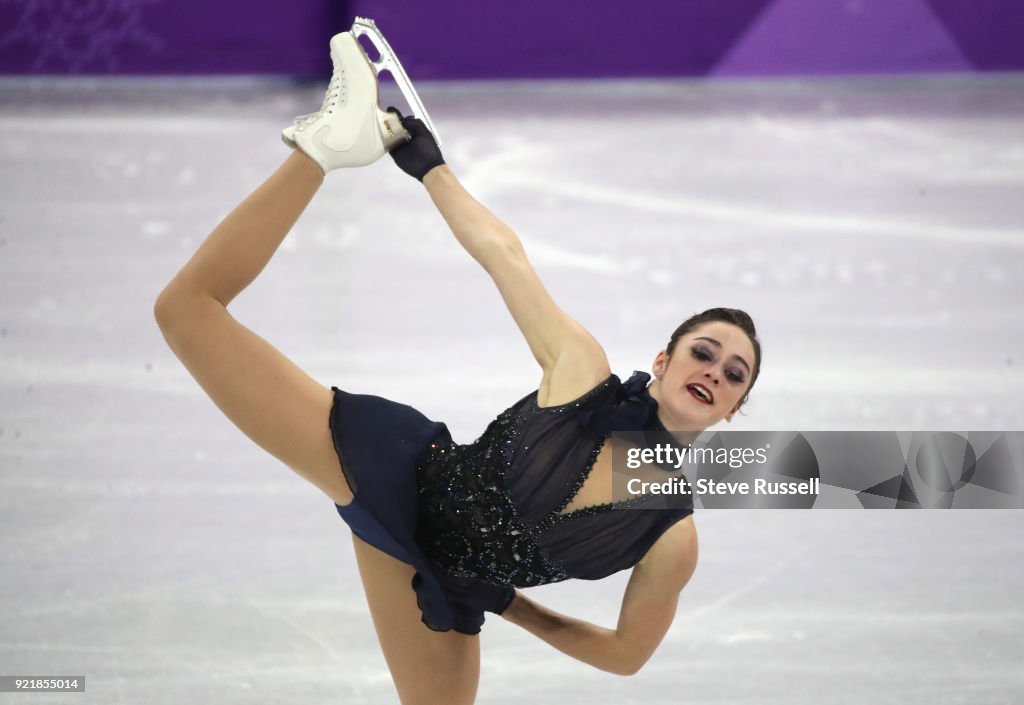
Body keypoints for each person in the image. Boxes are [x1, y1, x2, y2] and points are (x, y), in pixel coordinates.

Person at [154, 29, 762, 705]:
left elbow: (624, 656)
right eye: (704, 351)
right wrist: (432, 170)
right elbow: (504, 254)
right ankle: (327, 146)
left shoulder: (672, 537)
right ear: (663, 360)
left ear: (735, 407)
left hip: (441, 581)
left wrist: (507, 603)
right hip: (398, 472)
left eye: (735, 373)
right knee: (187, 311)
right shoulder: (583, 375)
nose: (714, 370)